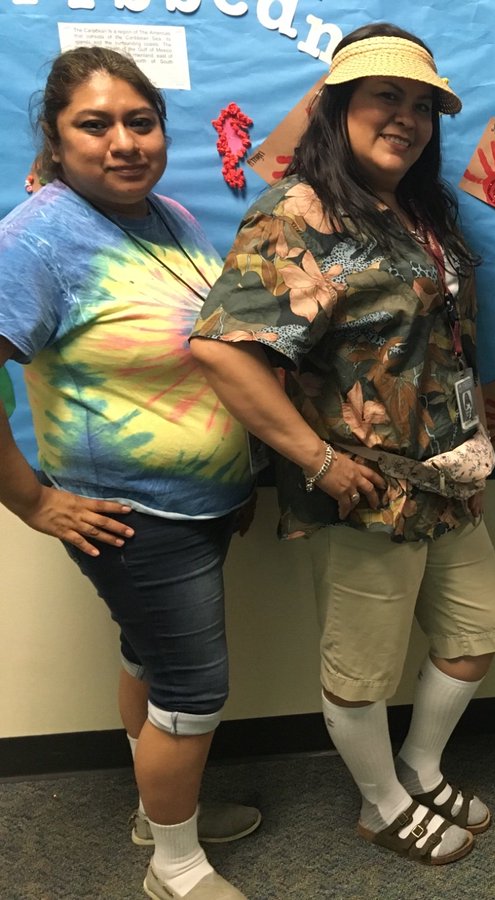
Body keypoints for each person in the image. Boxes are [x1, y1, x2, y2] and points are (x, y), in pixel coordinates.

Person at [190, 23, 495, 866]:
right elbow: (223, 350)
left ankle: (416, 768)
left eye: (421, 106)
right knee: (361, 671)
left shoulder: (416, 212)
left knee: (476, 634)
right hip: (364, 494)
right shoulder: (297, 215)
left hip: (446, 479)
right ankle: (380, 805)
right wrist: (322, 462)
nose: (406, 118)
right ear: (338, 108)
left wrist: (470, 446)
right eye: (385, 97)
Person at [0, 47, 259, 900]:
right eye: (95, 124)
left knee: (151, 660)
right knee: (193, 688)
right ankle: (175, 868)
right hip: (135, 518)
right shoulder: (38, 237)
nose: (123, 142)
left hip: (203, 503)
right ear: (55, 137)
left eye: (138, 121)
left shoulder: (171, 215)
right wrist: (31, 499)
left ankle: (160, 813)